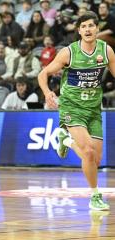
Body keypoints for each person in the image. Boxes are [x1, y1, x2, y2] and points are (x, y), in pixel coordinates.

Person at [38, 11, 115, 211]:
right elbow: (43, 73)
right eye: (83, 26)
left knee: (95, 160)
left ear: (97, 28)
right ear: (79, 31)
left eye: (91, 25)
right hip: (72, 106)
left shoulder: (106, 51)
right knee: (88, 152)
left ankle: (65, 140)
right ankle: (95, 196)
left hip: (94, 108)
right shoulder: (68, 52)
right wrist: (47, 93)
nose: (88, 29)